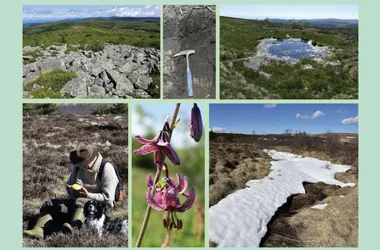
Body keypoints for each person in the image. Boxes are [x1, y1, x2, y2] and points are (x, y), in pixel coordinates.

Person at [23, 141, 119, 239]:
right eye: (81, 164)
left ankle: (73, 229)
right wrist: (74, 190)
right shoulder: (78, 166)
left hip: (98, 207)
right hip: (77, 201)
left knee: (80, 200)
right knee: (49, 204)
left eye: (84, 164)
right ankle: (39, 229)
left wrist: (87, 195)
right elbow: (68, 186)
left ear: (93, 158)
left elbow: (109, 199)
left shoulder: (106, 168)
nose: (82, 167)